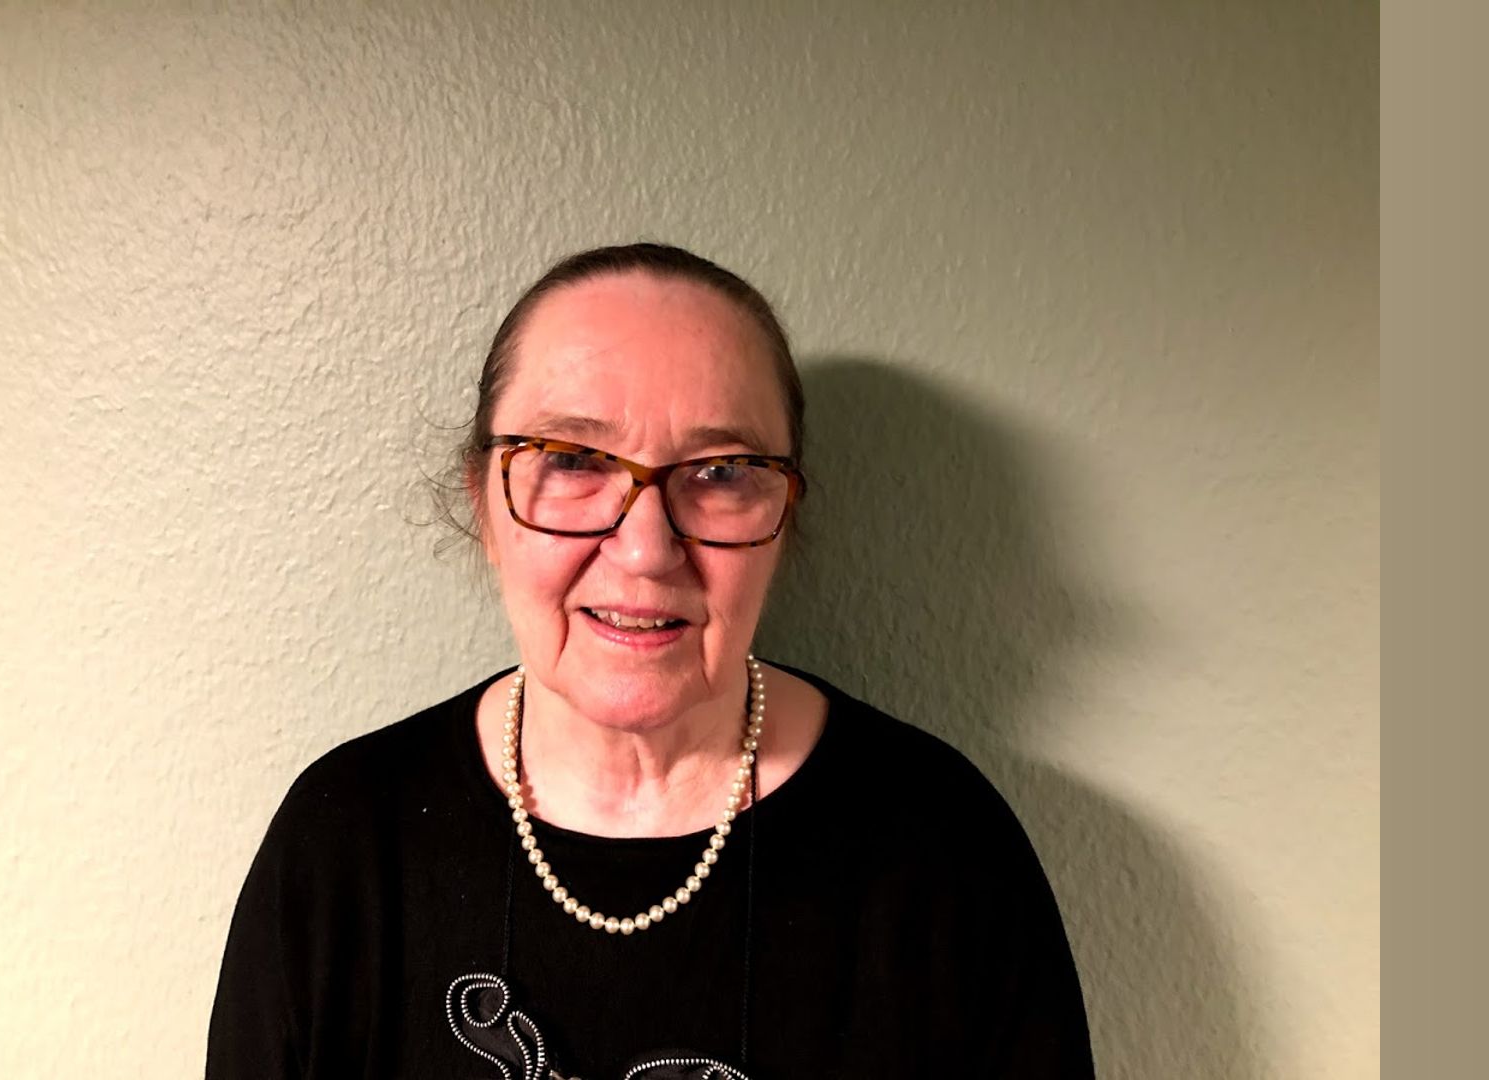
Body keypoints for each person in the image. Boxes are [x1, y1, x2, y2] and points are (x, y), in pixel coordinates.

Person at [206, 243, 1095, 1078]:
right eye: (570, 459)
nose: (644, 549)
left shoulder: (946, 852)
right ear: (483, 503)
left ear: (784, 515)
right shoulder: (344, 844)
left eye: (720, 472)